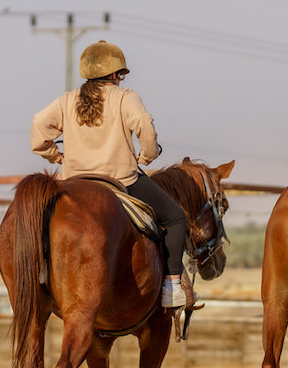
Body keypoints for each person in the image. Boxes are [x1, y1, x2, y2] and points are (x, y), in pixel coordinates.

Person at [30, 40, 192, 310]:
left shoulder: (67, 100)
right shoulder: (125, 97)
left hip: (72, 182)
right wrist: (147, 157)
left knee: (44, 219)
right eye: (121, 74)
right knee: (175, 217)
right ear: (116, 74)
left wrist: (57, 157)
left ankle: (42, 272)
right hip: (122, 181)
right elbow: (145, 127)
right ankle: (172, 285)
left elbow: (38, 129)